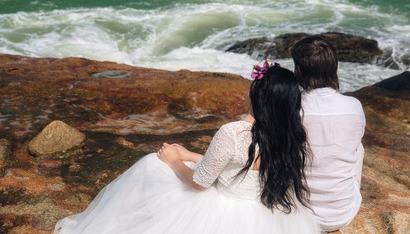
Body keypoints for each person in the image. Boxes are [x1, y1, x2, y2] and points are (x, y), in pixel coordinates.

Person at [54, 61, 320, 234]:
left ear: (257, 95)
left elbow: (200, 182)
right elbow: (240, 166)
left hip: (225, 214)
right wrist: (189, 154)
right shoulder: (290, 135)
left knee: (150, 163)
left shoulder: (233, 132)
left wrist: (173, 160)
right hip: (265, 215)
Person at [291, 36, 366, 232]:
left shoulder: (292, 109)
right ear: (334, 69)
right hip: (342, 213)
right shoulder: (354, 106)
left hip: (300, 211)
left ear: (298, 70)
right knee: (358, 147)